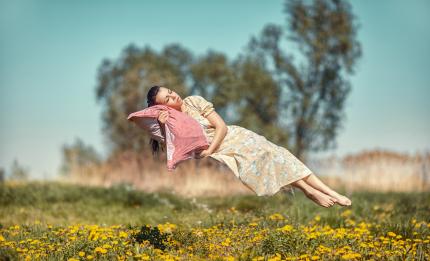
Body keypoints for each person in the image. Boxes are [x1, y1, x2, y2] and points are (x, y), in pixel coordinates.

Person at [146, 85, 352, 208]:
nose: (174, 96)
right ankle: (309, 190)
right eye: (168, 98)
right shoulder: (173, 122)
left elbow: (221, 126)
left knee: (278, 154)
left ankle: (326, 192)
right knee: (270, 163)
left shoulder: (194, 101)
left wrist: (210, 150)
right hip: (225, 152)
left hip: (233, 137)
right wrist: (164, 127)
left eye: (171, 92)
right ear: (162, 106)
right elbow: (175, 146)